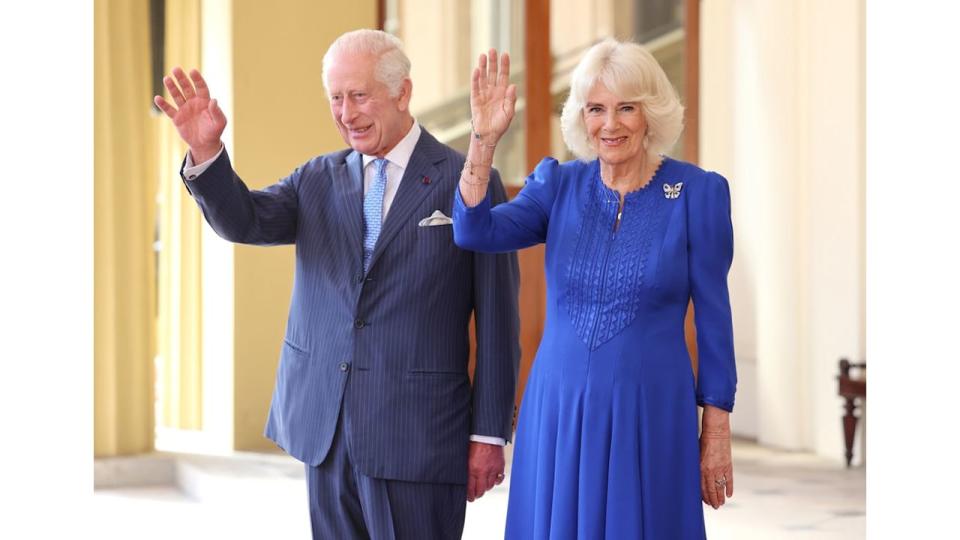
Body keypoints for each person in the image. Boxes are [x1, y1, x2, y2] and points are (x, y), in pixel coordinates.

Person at [153, 29, 520, 540]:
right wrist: (208, 153)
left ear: (402, 93)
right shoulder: (316, 178)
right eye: (336, 98)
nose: (346, 113)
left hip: (417, 436)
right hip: (325, 428)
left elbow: (500, 320)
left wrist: (488, 434)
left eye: (359, 95)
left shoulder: (467, 179)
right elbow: (245, 222)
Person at [453, 39, 737, 539]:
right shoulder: (557, 185)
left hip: (650, 413)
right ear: (582, 118)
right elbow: (474, 231)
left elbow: (715, 321)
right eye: (596, 109)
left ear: (651, 114)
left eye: (626, 107)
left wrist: (715, 433)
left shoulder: (697, 193)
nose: (610, 124)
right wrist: (483, 139)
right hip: (559, 410)